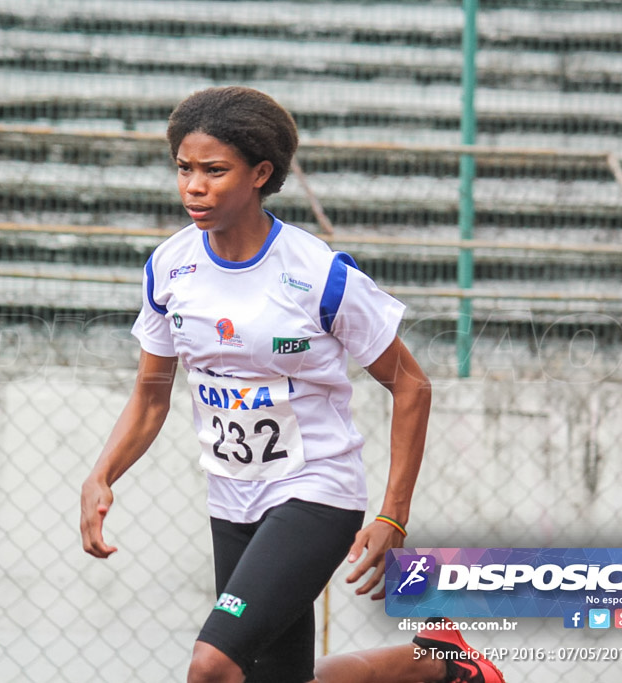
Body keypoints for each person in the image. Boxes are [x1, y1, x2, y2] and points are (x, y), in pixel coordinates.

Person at [80, 85, 502, 683]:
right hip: (231, 497)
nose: (193, 187)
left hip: (317, 492)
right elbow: (151, 396)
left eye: (214, 171)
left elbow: (412, 387)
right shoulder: (168, 268)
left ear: (261, 173)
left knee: (212, 665)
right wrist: (101, 474)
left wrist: (392, 517)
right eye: (184, 169)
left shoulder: (316, 275)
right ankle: (437, 664)